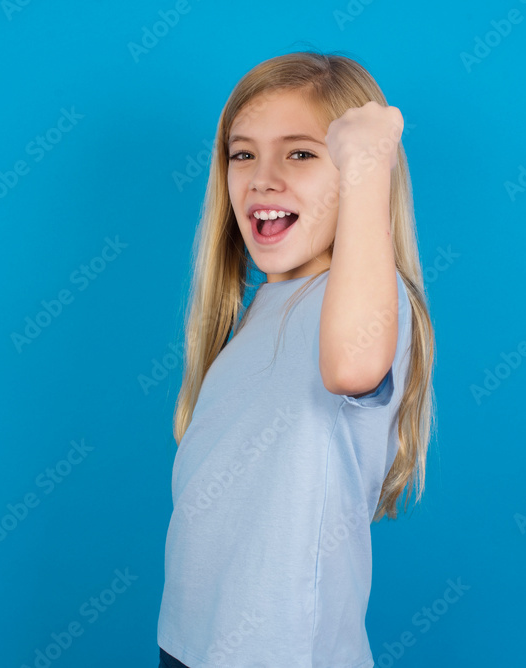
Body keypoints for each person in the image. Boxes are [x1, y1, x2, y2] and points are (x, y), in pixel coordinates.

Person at [157, 50, 436, 667]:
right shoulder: (261, 311)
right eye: (243, 152)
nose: (262, 177)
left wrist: (367, 165)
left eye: (302, 153)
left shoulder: (368, 300)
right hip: (191, 644)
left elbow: (351, 366)